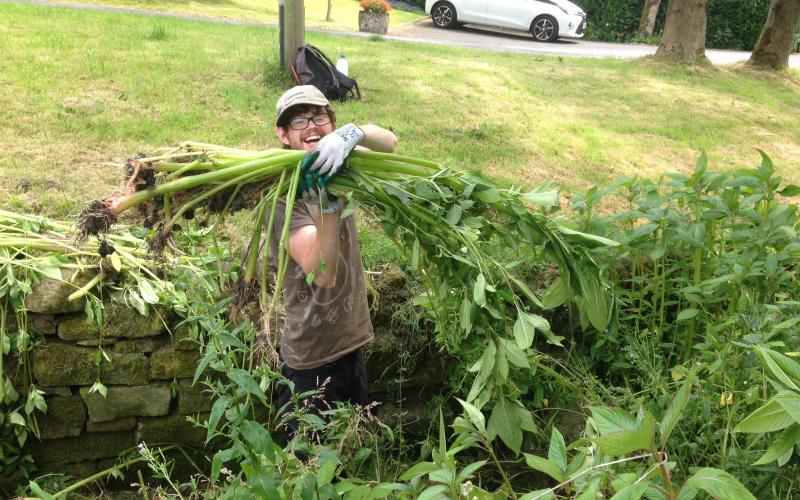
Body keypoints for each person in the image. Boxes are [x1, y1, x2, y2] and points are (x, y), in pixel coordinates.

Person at [268, 85, 397, 432]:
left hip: (351, 342)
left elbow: (390, 144)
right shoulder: (283, 198)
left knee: (353, 456)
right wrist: (327, 206)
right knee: (310, 473)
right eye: (298, 121)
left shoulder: (339, 162)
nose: (311, 126)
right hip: (311, 362)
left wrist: (355, 133)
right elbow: (321, 273)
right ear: (282, 134)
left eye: (319, 116)